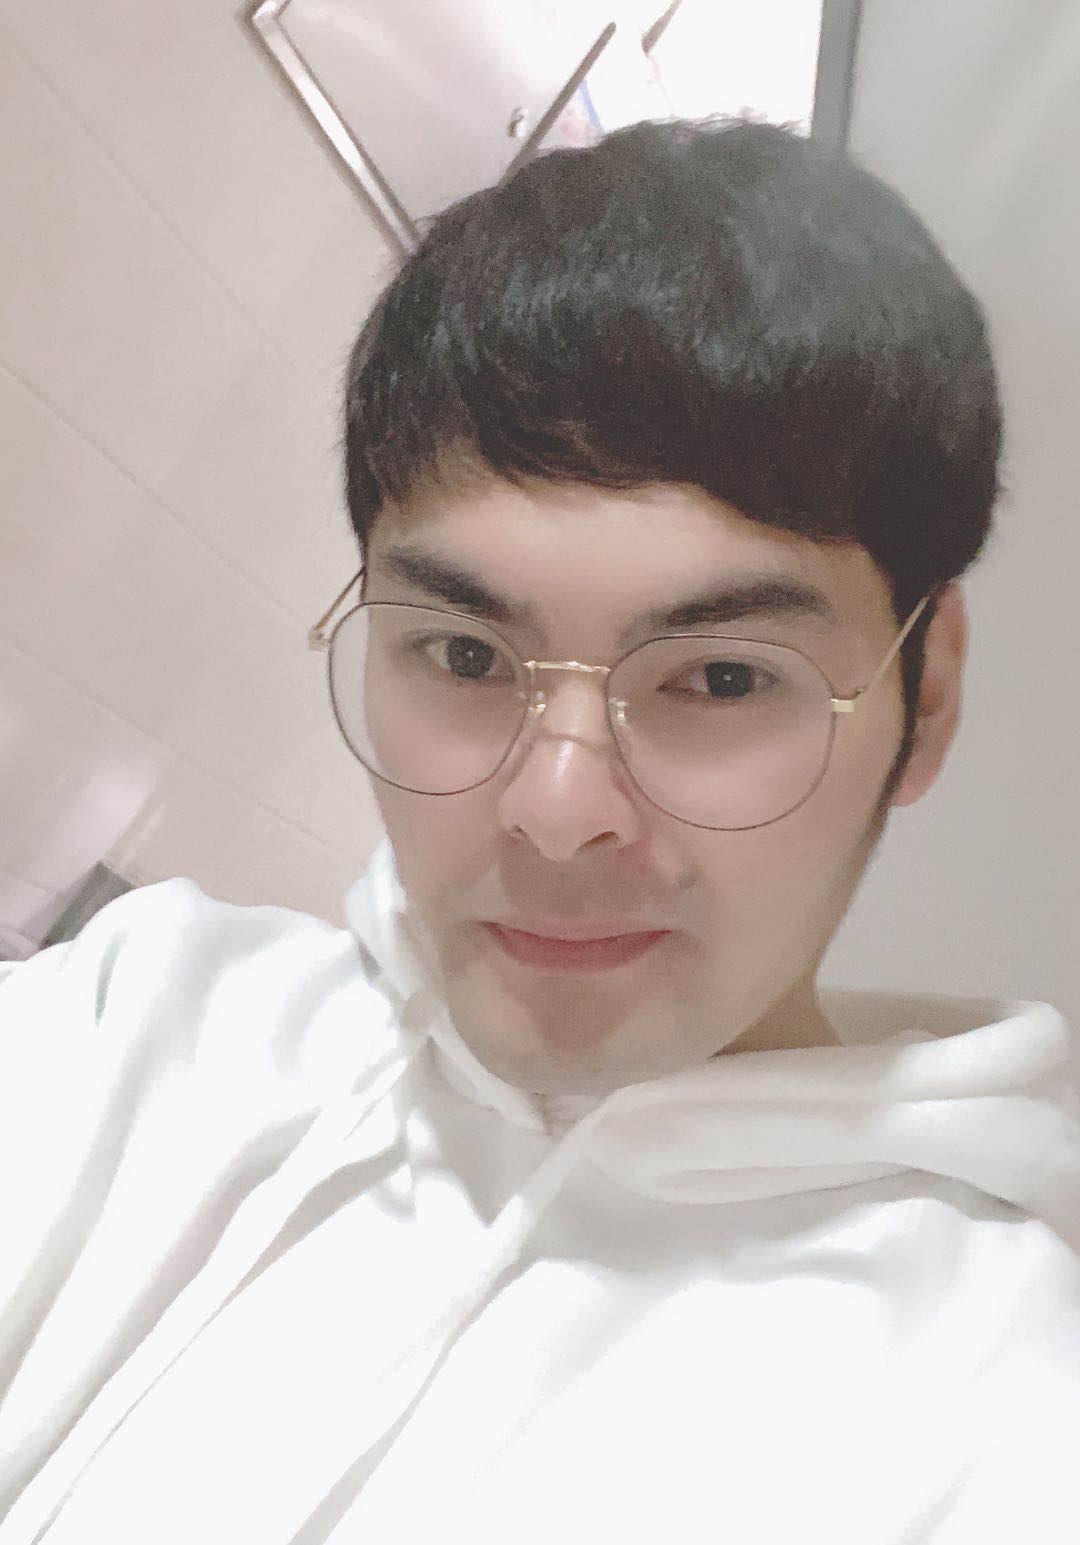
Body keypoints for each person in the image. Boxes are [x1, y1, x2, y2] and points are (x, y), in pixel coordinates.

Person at [1, 117, 1078, 1544]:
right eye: (462, 655)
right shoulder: (141, 1027)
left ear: (922, 702)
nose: (557, 815)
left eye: (721, 678)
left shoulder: (1004, 1419)